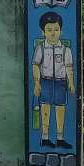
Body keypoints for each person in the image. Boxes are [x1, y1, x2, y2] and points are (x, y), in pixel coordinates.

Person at [32, 11, 75, 149]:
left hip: (61, 82)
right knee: (45, 108)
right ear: (43, 32)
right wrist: (37, 83)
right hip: (45, 81)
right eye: (49, 30)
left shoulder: (66, 50)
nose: (53, 33)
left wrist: (71, 83)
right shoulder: (40, 48)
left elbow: (69, 67)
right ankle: (45, 137)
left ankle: (60, 138)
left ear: (61, 31)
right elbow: (35, 65)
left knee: (60, 109)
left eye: (56, 29)